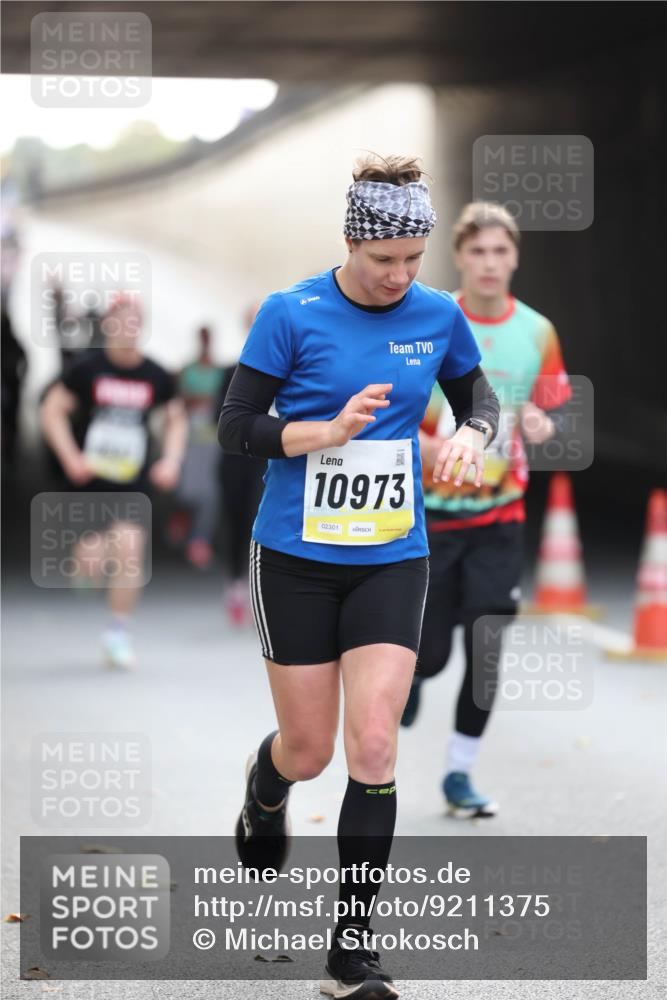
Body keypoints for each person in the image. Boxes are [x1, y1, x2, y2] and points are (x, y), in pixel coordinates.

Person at [219, 155, 499, 1000]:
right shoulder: (290, 312)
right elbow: (235, 428)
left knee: (373, 745)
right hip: (296, 557)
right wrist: (324, 432)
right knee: (306, 752)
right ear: (351, 242)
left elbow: (477, 397)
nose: (400, 276)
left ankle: (351, 954)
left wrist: (468, 440)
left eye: (414, 260)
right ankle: (264, 789)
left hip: (390, 554)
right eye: (386, 261)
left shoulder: (437, 313)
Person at [401, 202, 572, 819]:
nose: (490, 263)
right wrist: (438, 445)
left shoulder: (537, 331)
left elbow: (549, 412)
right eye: (478, 251)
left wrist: (537, 422)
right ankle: (415, 677)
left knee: (487, 646)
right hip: (431, 516)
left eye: (501, 252)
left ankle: (459, 773)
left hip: (500, 518)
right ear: (460, 257)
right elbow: (401, 419)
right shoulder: (430, 321)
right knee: (434, 651)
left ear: (515, 258)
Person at [40, 295, 187, 669]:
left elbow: (176, 419)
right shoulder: (87, 369)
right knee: (89, 561)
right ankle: (86, 566)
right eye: (121, 321)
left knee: (130, 549)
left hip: (131, 481)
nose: (129, 329)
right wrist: (71, 457)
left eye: (135, 322)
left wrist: (170, 460)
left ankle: (118, 633)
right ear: (108, 325)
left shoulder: (155, 374)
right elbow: (52, 410)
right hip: (89, 479)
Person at [217, 304, 266, 625]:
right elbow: (219, 420)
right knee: (236, 522)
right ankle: (235, 582)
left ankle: (260, 587)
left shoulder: (291, 369)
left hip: (269, 459)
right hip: (235, 460)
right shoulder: (230, 373)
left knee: (258, 522)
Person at [169, 325, 224, 569]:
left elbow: (222, 399)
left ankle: (199, 540)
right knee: (186, 483)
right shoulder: (188, 369)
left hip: (211, 434)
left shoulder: (219, 371)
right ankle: (181, 520)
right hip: (190, 432)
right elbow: (182, 399)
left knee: (210, 487)